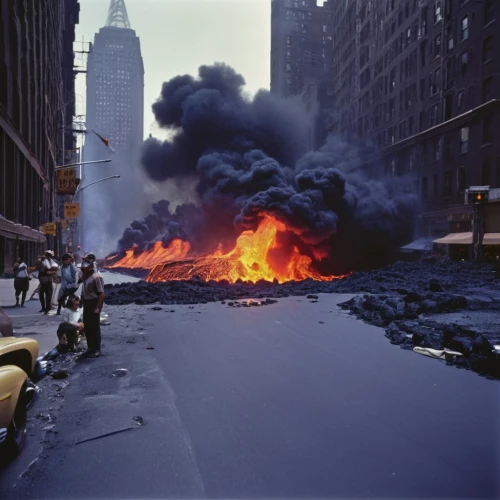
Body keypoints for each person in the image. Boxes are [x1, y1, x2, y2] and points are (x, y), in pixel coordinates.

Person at [79, 255, 104, 358]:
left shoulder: (96, 277)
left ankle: (97, 349)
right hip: (86, 303)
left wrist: (98, 308)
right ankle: (90, 348)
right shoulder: (85, 277)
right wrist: (81, 301)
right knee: (87, 327)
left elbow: (101, 294)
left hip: (93, 303)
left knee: (94, 327)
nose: (83, 271)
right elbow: (83, 290)